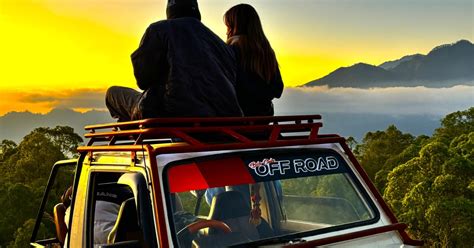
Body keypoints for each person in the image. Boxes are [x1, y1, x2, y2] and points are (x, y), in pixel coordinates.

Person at [106, 0, 243, 121]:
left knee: (112, 94)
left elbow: (143, 81)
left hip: (173, 112)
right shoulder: (221, 44)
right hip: (225, 116)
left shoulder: (159, 30)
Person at [224, 4, 284, 117]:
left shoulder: (231, 49)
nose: (227, 32)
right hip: (264, 117)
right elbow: (278, 89)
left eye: (228, 26)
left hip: (238, 119)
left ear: (234, 26)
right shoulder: (267, 52)